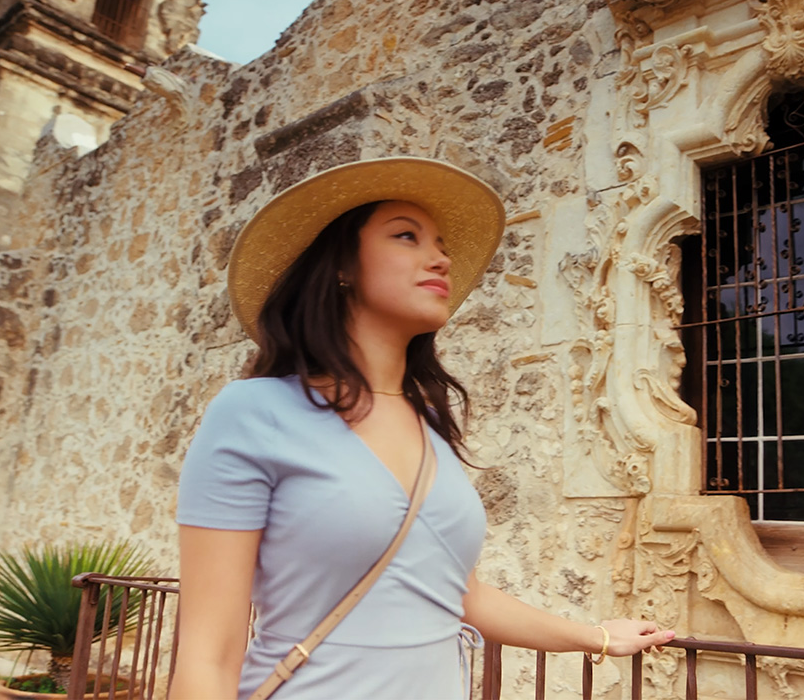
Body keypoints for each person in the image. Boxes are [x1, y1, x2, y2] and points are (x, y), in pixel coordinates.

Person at [170, 157, 674, 700]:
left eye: (441, 246)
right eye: (406, 236)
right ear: (341, 266)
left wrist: (597, 637)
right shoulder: (254, 412)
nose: (440, 259)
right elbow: (208, 656)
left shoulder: (429, 422)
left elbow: (459, 594)